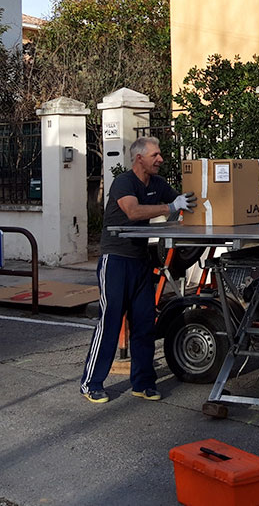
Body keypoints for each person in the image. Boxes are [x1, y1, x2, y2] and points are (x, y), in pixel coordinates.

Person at [79, 136, 195, 403]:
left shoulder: (157, 184)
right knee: (110, 322)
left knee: (144, 323)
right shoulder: (124, 182)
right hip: (116, 261)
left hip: (142, 260)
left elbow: (180, 203)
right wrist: (170, 207)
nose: (160, 159)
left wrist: (187, 206)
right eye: (155, 155)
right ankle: (92, 382)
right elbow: (132, 212)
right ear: (139, 158)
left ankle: (143, 382)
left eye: (160, 154)